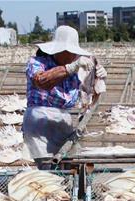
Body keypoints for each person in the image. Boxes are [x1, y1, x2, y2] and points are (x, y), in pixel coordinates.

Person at [23, 25, 105, 163]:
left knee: (68, 163)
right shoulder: (37, 63)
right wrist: (70, 68)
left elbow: (91, 97)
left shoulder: (75, 69)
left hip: (63, 120)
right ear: (57, 50)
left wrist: (100, 78)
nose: (73, 56)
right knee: (46, 167)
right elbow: (42, 81)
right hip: (39, 122)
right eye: (69, 51)